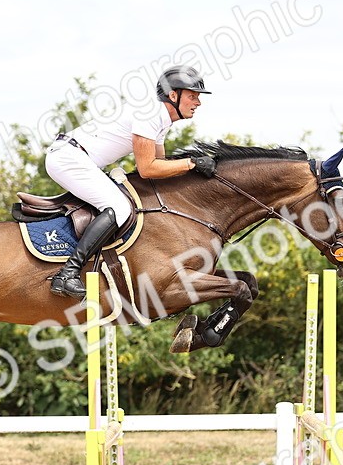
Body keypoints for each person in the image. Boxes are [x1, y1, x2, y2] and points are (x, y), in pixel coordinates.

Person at [45, 65, 217, 298]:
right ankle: (67, 274)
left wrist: (191, 168)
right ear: (173, 95)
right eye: (192, 96)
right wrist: (191, 164)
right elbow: (147, 169)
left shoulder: (161, 120)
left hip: (79, 158)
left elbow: (161, 164)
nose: (198, 102)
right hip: (68, 158)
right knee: (119, 207)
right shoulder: (150, 115)